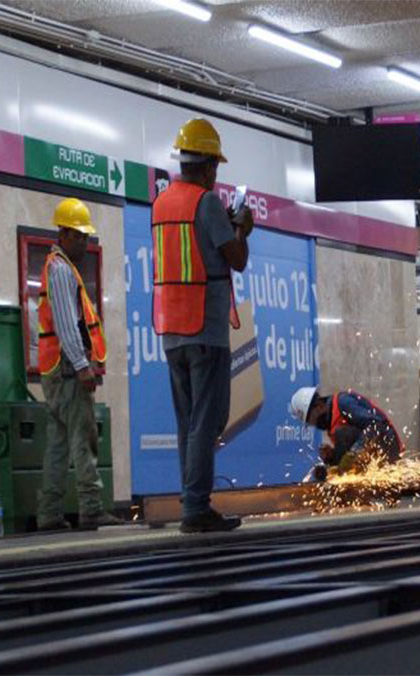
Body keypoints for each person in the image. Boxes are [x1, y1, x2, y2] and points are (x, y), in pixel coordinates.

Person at [152, 118, 254, 533]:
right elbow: (236, 258)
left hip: (172, 329)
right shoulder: (206, 203)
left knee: (188, 421)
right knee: (209, 420)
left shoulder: (162, 203)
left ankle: (191, 499)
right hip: (205, 330)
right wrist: (242, 230)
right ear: (209, 165)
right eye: (216, 166)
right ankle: (196, 507)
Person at [36, 197, 122, 531]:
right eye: (81, 236)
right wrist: (83, 365)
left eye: (87, 237)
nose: (85, 243)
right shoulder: (60, 270)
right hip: (69, 371)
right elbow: (67, 323)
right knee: (83, 439)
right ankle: (91, 508)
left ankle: (49, 514)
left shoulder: (62, 268)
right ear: (65, 234)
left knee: (57, 445)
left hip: (56, 371)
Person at [290, 387, 403, 480]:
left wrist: (354, 453)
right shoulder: (332, 420)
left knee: (343, 434)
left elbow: (376, 425)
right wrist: (332, 457)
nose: (314, 424)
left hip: (387, 445)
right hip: (372, 452)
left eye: (312, 420)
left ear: (319, 406)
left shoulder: (343, 403)